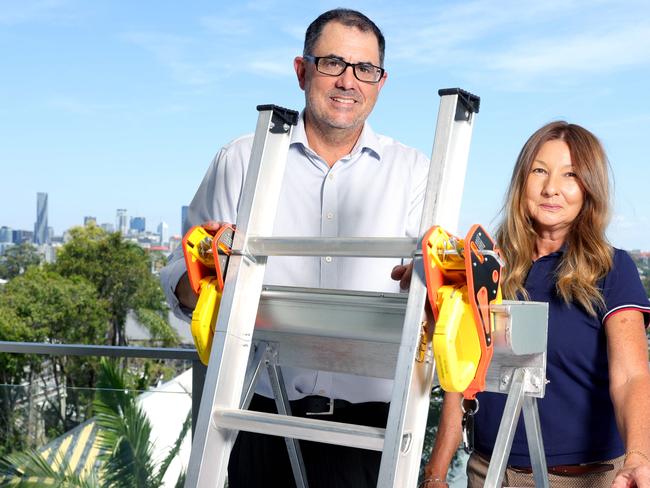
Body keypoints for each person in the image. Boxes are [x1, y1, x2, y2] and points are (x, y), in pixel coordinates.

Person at [159, 8, 430, 487]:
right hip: (254, 418)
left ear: (380, 83)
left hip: (369, 431)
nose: (349, 81)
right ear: (302, 70)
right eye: (333, 64)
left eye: (365, 69)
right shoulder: (243, 159)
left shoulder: (414, 171)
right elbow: (180, 279)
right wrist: (201, 276)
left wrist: (426, 284)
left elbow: (440, 293)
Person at [422, 121, 650, 488]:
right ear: (521, 182)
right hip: (487, 472)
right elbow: (461, 375)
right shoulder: (487, 266)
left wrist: (639, 455)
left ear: (589, 188)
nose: (550, 189)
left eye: (570, 174)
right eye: (539, 171)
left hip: (581, 479)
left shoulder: (613, 269)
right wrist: (435, 474)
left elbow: (631, 376)